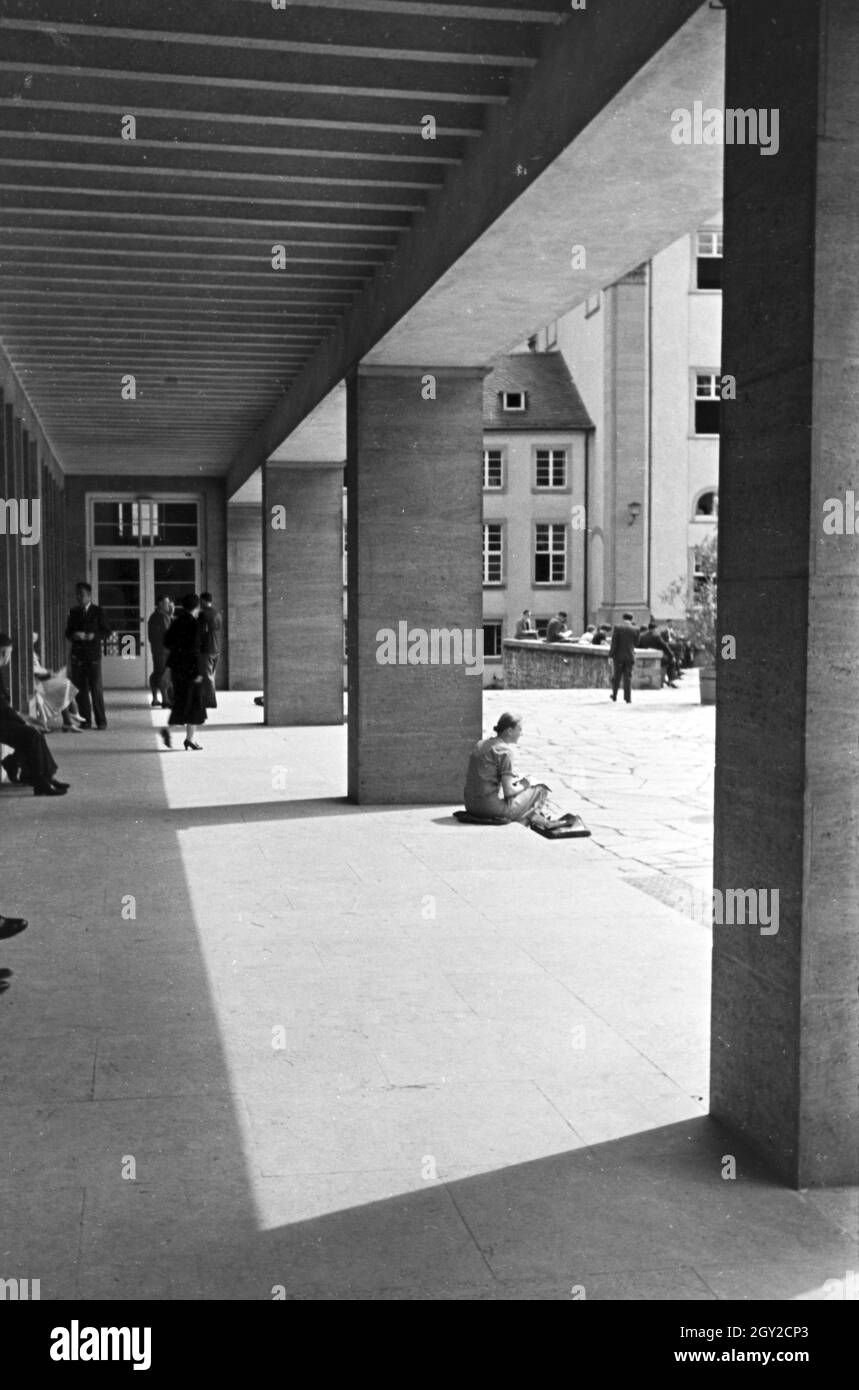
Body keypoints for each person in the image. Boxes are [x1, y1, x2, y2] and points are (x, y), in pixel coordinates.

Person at [0, 634, 70, 795]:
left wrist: (25, 719)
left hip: (3, 718)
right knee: (31, 735)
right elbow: (2, 707)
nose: (9, 657)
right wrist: (24, 720)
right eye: (9, 653)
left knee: (35, 732)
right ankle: (40, 783)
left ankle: (45, 777)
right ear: (3, 653)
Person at [463, 712, 551, 825]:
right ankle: (527, 821)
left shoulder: (480, 744)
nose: (521, 733)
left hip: (470, 806)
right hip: (489, 809)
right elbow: (508, 792)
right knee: (540, 788)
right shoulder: (505, 751)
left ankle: (525, 818)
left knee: (516, 787)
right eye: (519, 729)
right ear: (509, 731)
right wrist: (525, 785)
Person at [161, 594, 207, 751]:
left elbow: (167, 643)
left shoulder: (176, 622)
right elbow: (195, 650)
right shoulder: (195, 624)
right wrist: (198, 672)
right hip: (191, 670)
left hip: (177, 669)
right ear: (196, 607)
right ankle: (182, 736)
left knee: (182, 701)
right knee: (194, 704)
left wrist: (169, 666)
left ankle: (189, 739)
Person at [65, 582, 113, 730]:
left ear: (89, 595)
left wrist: (94, 636)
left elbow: (107, 632)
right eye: (77, 594)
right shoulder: (73, 612)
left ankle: (101, 721)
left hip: (93, 655)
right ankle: (86, 720)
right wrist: (75, 635)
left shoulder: (98, 611)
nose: (79, 597)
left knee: (96, 688)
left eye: (82, 595)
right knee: (81, 690)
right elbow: (67, 633)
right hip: (78, 655)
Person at [30, 633, 83, 732]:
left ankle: (70, 719)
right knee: (64, 685)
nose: (33, 642)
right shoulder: (27, 654)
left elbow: (38, 669)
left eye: (34, 640)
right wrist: (49, 674)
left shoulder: (32, 652)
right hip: (37, 685)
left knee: (64, 686)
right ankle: (72, 715)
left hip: (41, 682)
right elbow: (35, 673)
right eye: (32, 639)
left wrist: (48, 672)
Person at [147, 596, 173, 709]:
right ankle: (165, 699)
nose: (169, 605)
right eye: (166, 603)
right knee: (163, 673)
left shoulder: (155, 616)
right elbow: (169, 633)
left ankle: (155, 698)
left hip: (158, 649)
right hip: (163, 650)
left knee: (157, 672)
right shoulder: (160, 617)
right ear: (160, 604)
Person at [638, 620, 679, 688]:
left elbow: (638, 646)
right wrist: (672, 655)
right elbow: (665, 647)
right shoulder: (656, 636)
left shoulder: (642, 637)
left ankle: (665, 680)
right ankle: (671, 680)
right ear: (654, 629)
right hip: (658, 658)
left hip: (644, 658)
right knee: (671, 662)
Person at [608, 612, 639, 703]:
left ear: (623, 618)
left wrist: (610, 655)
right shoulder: (636, 629)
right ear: (631, 619)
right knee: (628, 677)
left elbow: (614, 643)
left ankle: (614, 695)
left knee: (617, 676)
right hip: (630, 656)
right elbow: (637, 643)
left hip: (618, 656)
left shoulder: (618, 628)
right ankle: (628, 698)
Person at [198, 592, 222, 709]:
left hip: (206, 648)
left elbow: (200, 632)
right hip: (216, 647)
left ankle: (211, 701)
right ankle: (207, 699)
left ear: (202, 601)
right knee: (211, 675)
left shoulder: (203, 614)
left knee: (207, 676)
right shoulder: (217, 613)